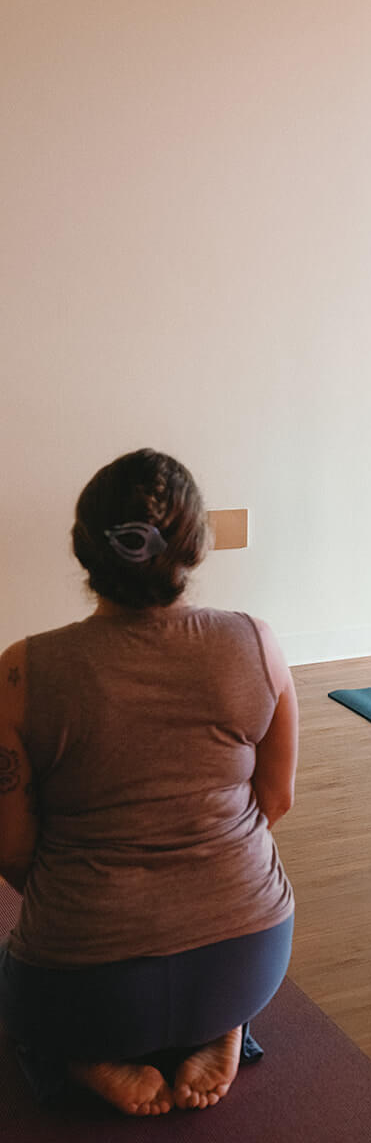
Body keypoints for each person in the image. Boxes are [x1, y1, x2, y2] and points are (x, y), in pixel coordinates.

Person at [0, 449, 297, 1117]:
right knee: (204, 971)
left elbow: (12, 851)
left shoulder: (22, 672)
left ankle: (83, 1054)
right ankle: (228, 1025)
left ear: (84, 550)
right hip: (249, 958)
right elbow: (276, 799)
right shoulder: (256, 642)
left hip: (83, 982)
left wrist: (97, 915)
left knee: (9, 978)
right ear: (195, 547)